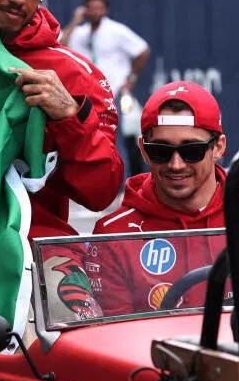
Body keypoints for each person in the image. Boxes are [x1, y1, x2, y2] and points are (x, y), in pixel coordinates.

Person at [0, 0, 123, 239]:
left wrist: (70, 116)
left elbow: (101, 194)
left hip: (29, 245)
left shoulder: (75, 75)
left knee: (68, 291)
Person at [89, 81, 226, 315]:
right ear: (143, 150)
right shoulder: (114, 235)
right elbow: (114, 341)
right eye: (160, 151)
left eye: (192, 150)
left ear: (219, 148)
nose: (176, 164)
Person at [60, 0, 151, 177]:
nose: (95, 12)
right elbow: (60, 45)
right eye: (91, 8)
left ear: (106, 10)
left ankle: (119, 186)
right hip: (86, 95)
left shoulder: (116, 31)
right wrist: (75, 22)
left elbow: (142, 50)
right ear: (85, 10)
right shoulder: (79, 32)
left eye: (99, 8)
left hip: (112, 94)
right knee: (85, 139)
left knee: (114, 140)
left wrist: (130, 80)